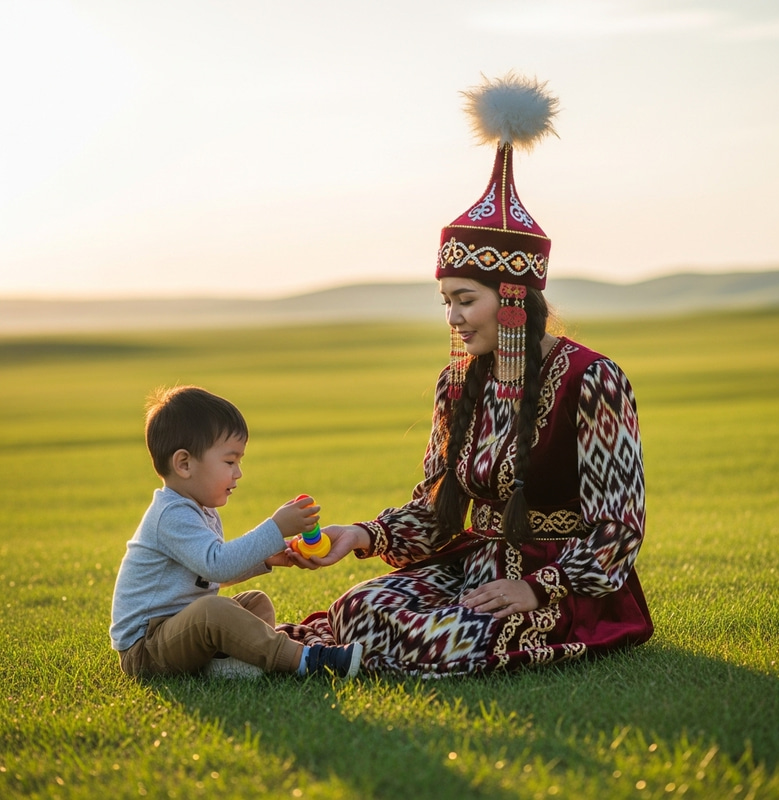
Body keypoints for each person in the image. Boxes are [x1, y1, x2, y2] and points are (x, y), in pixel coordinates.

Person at [280, 73, 653, 675]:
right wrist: (362, 535)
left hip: (564, 586)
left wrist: (535, 586)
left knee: (445, 637)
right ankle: (289, 652)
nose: (452, 318)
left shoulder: (593, 380)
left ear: (513, 295)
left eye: (465, 299)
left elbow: (620, 527)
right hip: (473, 565)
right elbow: (436, 514)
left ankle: (303, 659)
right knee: (358, 608)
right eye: (446, 302)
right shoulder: (456, 385)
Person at [109, 385, 362, 679]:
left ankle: (227, 665)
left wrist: (265, 558)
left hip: (179, 629)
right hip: (146, 648)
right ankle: (308, 660)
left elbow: (209, 577)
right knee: (213, 612)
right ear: (184, 464)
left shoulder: (201, 511)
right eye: (230, 462)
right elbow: (217, 566)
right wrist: (276, 527)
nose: (238, 472)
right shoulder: (171, 514)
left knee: (255, 602)